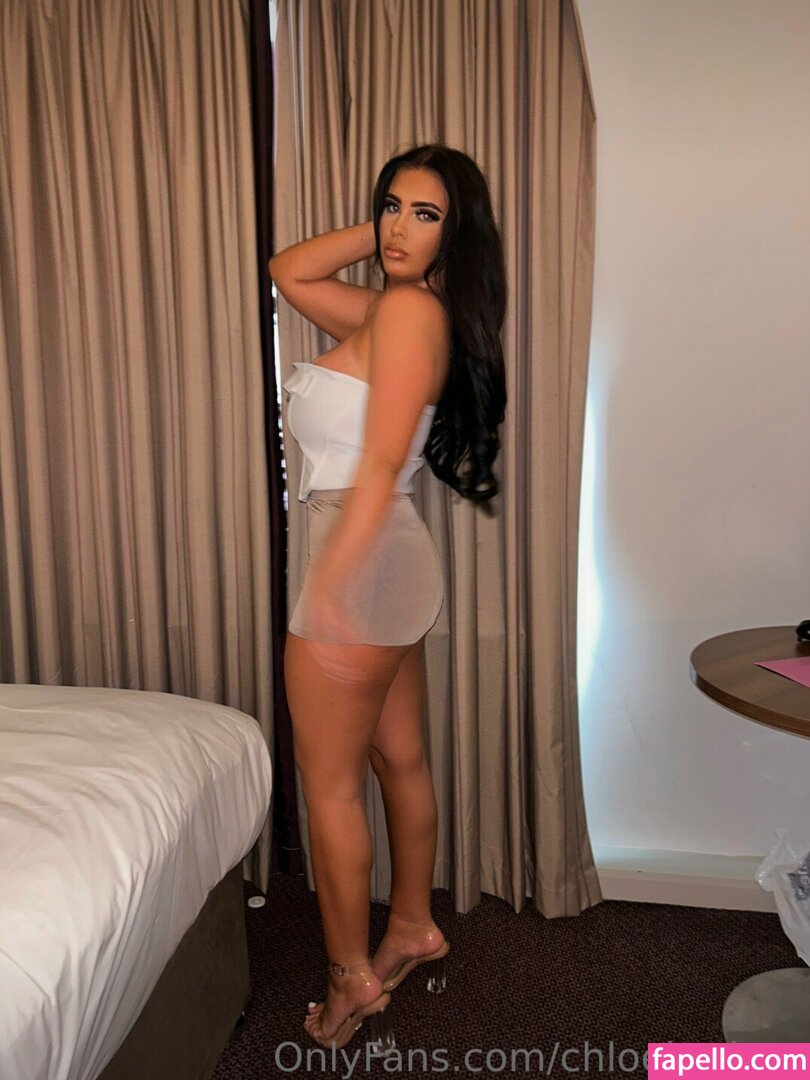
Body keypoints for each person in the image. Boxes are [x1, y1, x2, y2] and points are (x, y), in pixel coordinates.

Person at [269, 144, 506, 1051]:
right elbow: (289, 270)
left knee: (329, 785)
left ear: (457, 234)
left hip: (357, 556)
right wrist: (383, 236)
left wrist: (328, 586)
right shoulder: (399, 310)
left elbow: (374, 464)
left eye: (426, 214)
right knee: (398, 760)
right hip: (387, 562)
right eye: (392, 207)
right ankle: (410, 925)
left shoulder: (406, 311)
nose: (400, 227)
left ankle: (350, 980)